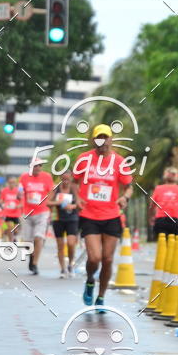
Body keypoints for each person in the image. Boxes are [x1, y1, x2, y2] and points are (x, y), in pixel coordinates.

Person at [73, 124, 133, 309]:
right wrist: (77, 198)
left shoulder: (119, 162)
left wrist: (125, 197)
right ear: (94, 140)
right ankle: (90, 280)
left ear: (111, 139)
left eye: (105, 137)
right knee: (94, 258)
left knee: (107, 259)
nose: (103, 141)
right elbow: (74, 181)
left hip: (111, 215)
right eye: (99, 138)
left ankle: (101, 297)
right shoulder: (84, 159)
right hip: (89, 215)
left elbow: (129, 187)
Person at [18, 157, 54, 275]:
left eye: (40, 165)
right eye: (35, 165)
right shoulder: (24, 177)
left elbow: (51, 191)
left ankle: (35, 263)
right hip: (27, 213)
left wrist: (47, 202)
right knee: (27, 242)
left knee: (38, 237)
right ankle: (31, 256)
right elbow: (20, 191)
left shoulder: (47, 177)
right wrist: (19, 195)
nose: (38, 167)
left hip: (42, 212)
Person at [48, 169, 80, 277]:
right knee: (60, 246)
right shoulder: (56, 189)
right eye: (63, 179)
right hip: (58, 219)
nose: (65, 182)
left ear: (71, 178)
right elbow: (48, 202)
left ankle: (70, 264)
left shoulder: (74, 188)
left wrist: (73, 206)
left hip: (72, 219)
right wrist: (58, 202)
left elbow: (80, 203)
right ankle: (62, 269)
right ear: (60, 179)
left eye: (67, 179)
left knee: (71, 243)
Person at [149, 167, 178, 237]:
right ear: (176, 177)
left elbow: (152, 205)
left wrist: (151, 217)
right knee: (173, 241)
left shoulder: (158, 188)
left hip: (160, 220)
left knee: (162, 241)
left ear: (165, 177)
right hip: (175, 220)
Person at [0, 176, 21, 242]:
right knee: (8, 228)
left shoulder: (18, 191)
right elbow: (1, 200)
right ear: (8, 183)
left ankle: (13, 237)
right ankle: (10, 241)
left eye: (13, 182)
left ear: (15, 183)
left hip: (16, 213)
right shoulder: (4, 190)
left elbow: (22, 201)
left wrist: (18, 206)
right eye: (10, 182)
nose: (11, 184)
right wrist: (3, 204)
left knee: (16, 230)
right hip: (7, 213)